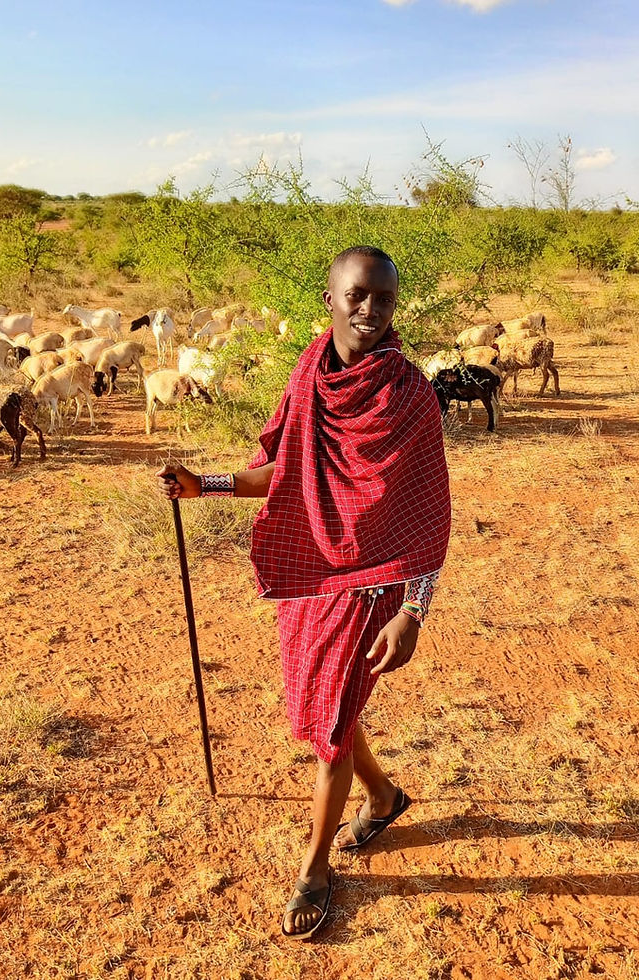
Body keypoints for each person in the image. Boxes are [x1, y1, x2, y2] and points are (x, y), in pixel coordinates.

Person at [157, 245, 450, 940]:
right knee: (329, 711)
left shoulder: (411, 396)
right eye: (356, 295)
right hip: (314, 574)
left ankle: (315, 870)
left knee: (326, 733)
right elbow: (279, 471)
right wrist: (208, 486)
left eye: (383, 299)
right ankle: (381, 796)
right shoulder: (310, 374)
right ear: (330, 298)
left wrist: (414, 610)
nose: (369, 311)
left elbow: (430, 509)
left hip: (375, 584)